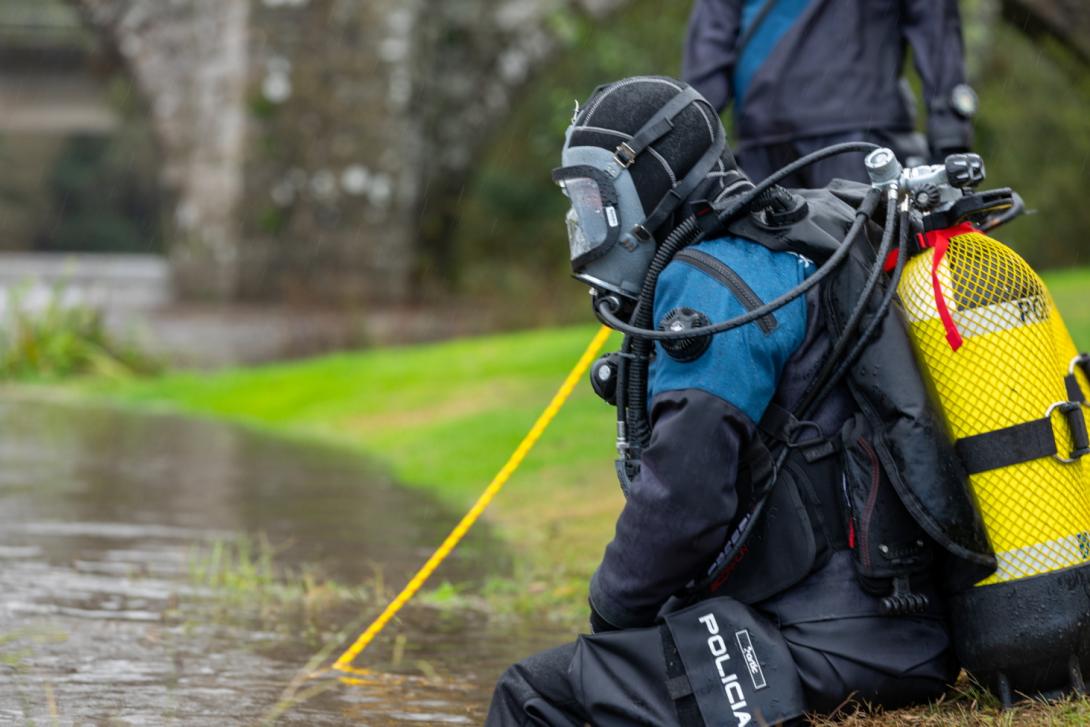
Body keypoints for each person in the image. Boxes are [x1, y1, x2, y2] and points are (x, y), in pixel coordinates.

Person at [486, 76, 995, 726]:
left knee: (530, 694)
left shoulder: (714, 281)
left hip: (828, 642)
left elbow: (685, 498)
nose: (583, 222)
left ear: (646, 183)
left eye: (593, 199)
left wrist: (609, 613)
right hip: (894, 629)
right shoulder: (791, 240)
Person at [682, 0, 979, 187]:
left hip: (763, 145)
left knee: (766, 266)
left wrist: (686, 146)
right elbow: (934, 25)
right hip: (862, 138)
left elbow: (710, 49)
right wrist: (950, 132)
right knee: (874, 261)